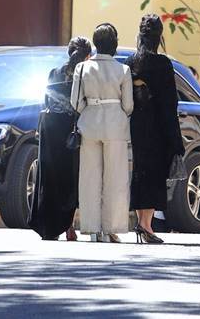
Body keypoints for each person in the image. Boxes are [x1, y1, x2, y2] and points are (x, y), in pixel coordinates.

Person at [71, 23, 133, 243]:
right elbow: (128, 105)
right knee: (115, 179)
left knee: (89, 178)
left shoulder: (82, 68)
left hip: (89, 124)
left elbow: (75, 103)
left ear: (95, 43)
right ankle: (111, 228)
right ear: (114, 43)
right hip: (115, 126)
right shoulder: (123, 70)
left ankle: (91, 228)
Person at [126, 14, 185, 244]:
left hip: (136, 125)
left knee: (140, 171)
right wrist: (174, 137)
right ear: (158, 37)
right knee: (154, 174)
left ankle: (141, 222)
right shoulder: (163, 64)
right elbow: (170, 102)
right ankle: (146, 225)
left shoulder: (130, 62)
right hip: (158, 126)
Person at [30, 36, 91, 241]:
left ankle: (47, 226)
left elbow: (45, 100)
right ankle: (68, 227)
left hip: (50, 128)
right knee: (70, 177)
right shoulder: (84, 76)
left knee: (49, 177)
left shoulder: (54, 72)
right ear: (88, 56)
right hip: (70, 129)